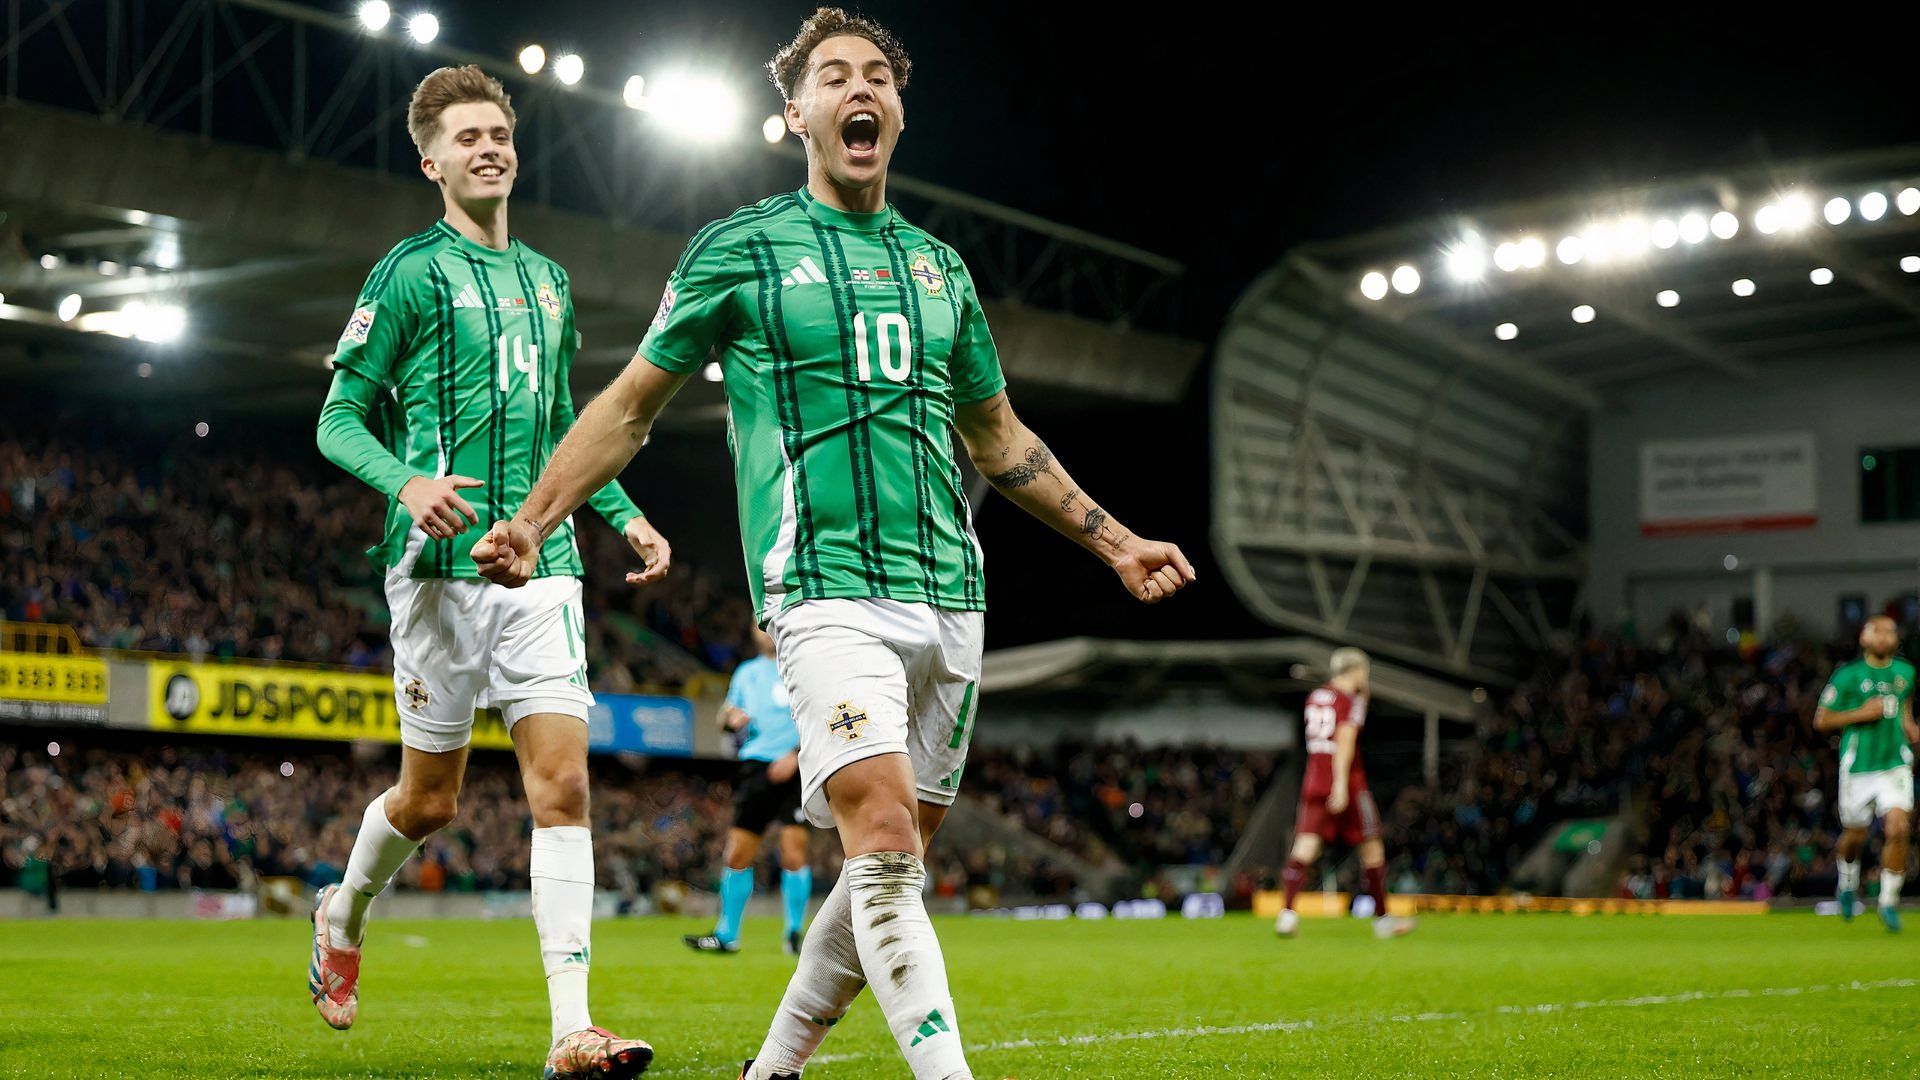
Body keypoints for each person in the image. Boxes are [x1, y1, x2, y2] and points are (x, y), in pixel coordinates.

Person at [471, 10, 1195, 1077]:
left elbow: (998, 440)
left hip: (952, 597)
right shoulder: (742, 249)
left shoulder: (941, 270)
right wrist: (533, 518)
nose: (861, 91)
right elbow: (630, 406)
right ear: (797, 114)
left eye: (879, 79)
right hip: (822, 593)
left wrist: (1117, 542)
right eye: (834, 78)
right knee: (887, 848)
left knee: (880, 877)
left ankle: (772, 1069)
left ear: (895, 113)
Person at [309, 64, 667, 1079]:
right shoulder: (408, 273)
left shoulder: (550, 281)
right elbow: (337, 420)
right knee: (431, 804)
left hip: (543, 572)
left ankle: (572, 1031)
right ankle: (343, 910)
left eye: (501, 133)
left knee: (563, 788)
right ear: (432, 163)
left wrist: (626, 516)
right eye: (468, 137)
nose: (491, 148)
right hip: (432, 575)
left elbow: (564, 428)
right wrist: (409, 483)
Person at [685, 626, 814, 955]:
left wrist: (795, 755)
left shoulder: (803, 666)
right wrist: (730, 718)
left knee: (793, 853)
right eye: (758, 625)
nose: (763, 631)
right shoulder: (747, 672)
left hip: (796, 767)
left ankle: (794, 934)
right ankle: (727, 934)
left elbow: (818, 718)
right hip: (756, 767)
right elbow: (724, 716)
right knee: (738, 853)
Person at [1274, 648, 1416, 940]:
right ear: (1357, 670)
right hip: (1348, 782)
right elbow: (1346, 741)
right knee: (1372, 849)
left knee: (1304, 848)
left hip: (1314, 778)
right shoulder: (1347, 701)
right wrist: (1340, 784)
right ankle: (1382, 921)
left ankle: (1287, 915)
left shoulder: (1316, 697)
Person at [1812, 614, 1918, 931]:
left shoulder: (1906, 672)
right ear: (1864, 638)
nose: (1884, 636)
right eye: (1877, 631)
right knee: (1854, 836)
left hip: (1894, 762)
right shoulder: (1848, 675)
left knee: (1898, 828)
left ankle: (1888, 902)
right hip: (1858, 766)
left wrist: (1909, 726)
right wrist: (1861, 712)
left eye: (1890, 631)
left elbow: (1904, 706)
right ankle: (1847, 882)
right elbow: (1821, 720)